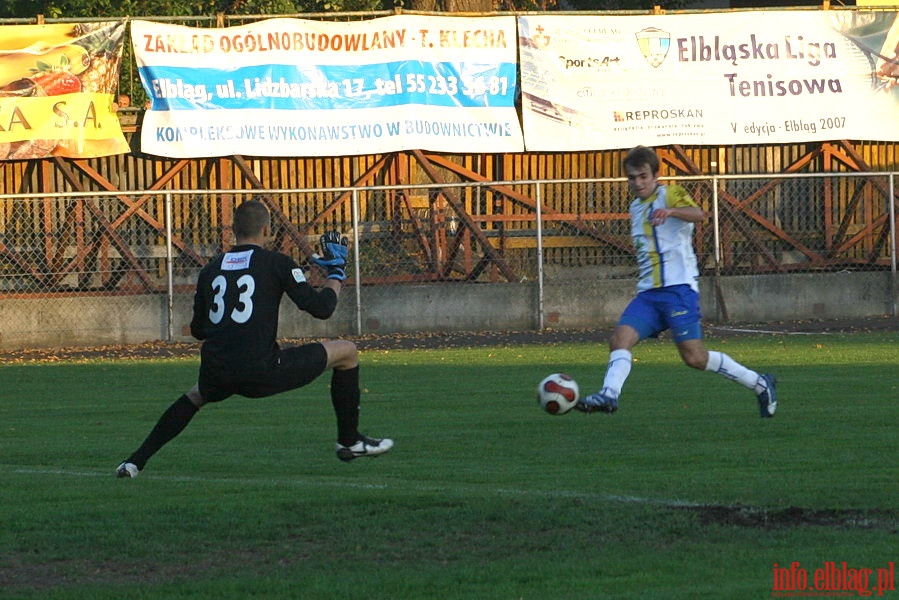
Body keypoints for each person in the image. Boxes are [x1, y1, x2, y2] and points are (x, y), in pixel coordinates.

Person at [116, 199, 392, 478]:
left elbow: (199, 330)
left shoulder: (211, 269)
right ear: (266, 229)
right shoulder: (276, 263)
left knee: (195, 396)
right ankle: (350, 441)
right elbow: (322, 308)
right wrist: (336, 273)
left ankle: (134, 462)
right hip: (261, 371)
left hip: (218, 369)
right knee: (347, 352)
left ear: (234, 230)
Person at [577, 145, 777, 418]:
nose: (638, 183)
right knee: (619, 340)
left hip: (678, 290)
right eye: (632, 178)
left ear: (656, 175)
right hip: (649, 294)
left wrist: (671, 211)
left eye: (643, 176)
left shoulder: (669, 194)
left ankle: (759, 383)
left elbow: (700, 214)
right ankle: (609, 395)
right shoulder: (635, 207)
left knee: (694, 358)